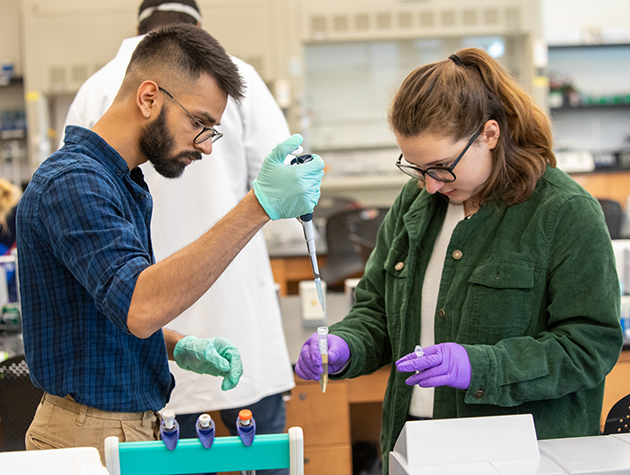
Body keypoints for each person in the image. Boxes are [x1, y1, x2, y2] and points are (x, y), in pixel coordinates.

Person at [295, 48, 622, 474]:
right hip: (413, 445)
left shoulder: (563, 212)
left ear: (489, 134)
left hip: (522, 455)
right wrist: (344, 345)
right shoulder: (416, 204)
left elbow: (589, 347)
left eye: (441, 168)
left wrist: (480, 366)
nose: (429, 185)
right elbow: (376, 311)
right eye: (415, 168)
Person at [17, 23, 324, 463]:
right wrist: (258, 205)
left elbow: (104, 319)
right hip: (86, 435)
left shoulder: (118, 181)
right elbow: (141, 308)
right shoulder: (74, 184)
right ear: (148, 98)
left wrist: (178, 346)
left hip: (121, 423)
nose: (206, 147)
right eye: (199, 123)